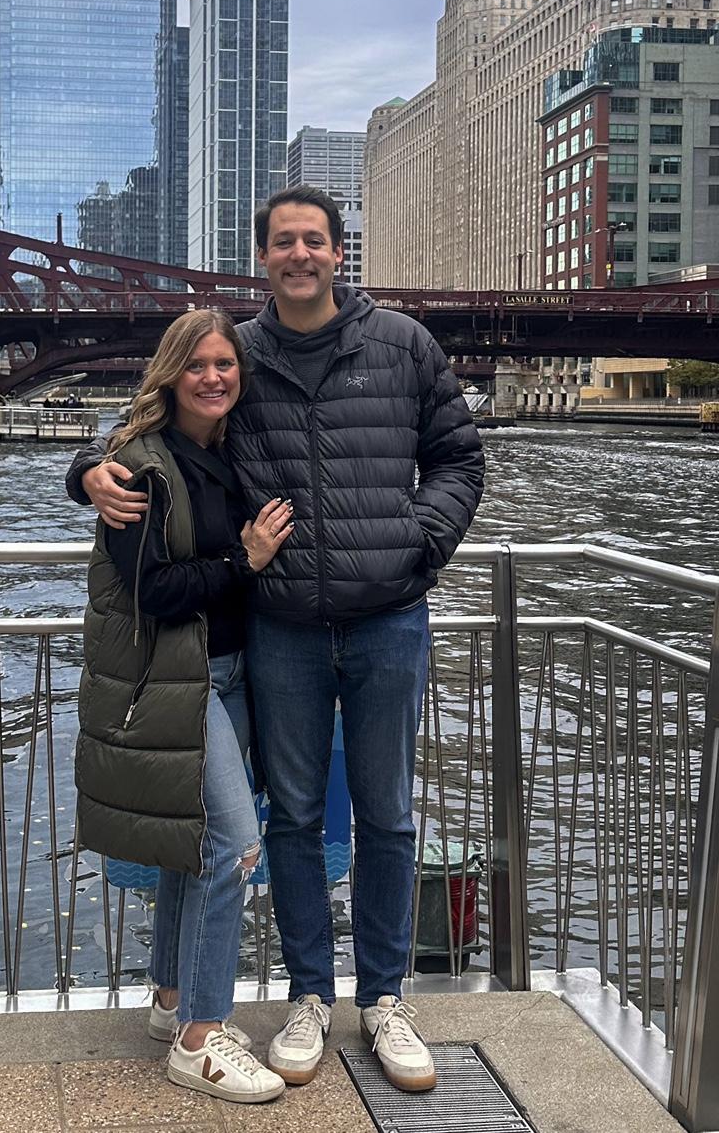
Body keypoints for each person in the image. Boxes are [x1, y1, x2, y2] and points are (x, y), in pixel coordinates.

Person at [71, 185, 485, 1093]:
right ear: (263, 257)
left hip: (387, 618)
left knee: (388, 815)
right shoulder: (242, 355)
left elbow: (459, 457)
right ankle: (309, 996)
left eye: (315, 240)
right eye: (284, 242)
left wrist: (419, 543)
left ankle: (385, 999)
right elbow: (157, 426)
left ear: (339, 252)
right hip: (282, 628)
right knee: (290, 819)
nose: (300, 254)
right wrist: (87, 469)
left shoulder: (402, 344)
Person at [74, 308, 294, 1106]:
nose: (212, 377)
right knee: (234, 848)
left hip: (229, 672)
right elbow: (154, 592)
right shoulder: (141, 468)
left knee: (191, 847)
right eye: (196, 364)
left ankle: (172, 999)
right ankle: (201, 1040)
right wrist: (245, 560)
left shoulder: (229, 450)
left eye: (224, 364)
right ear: (169, 374)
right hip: (181, 679)